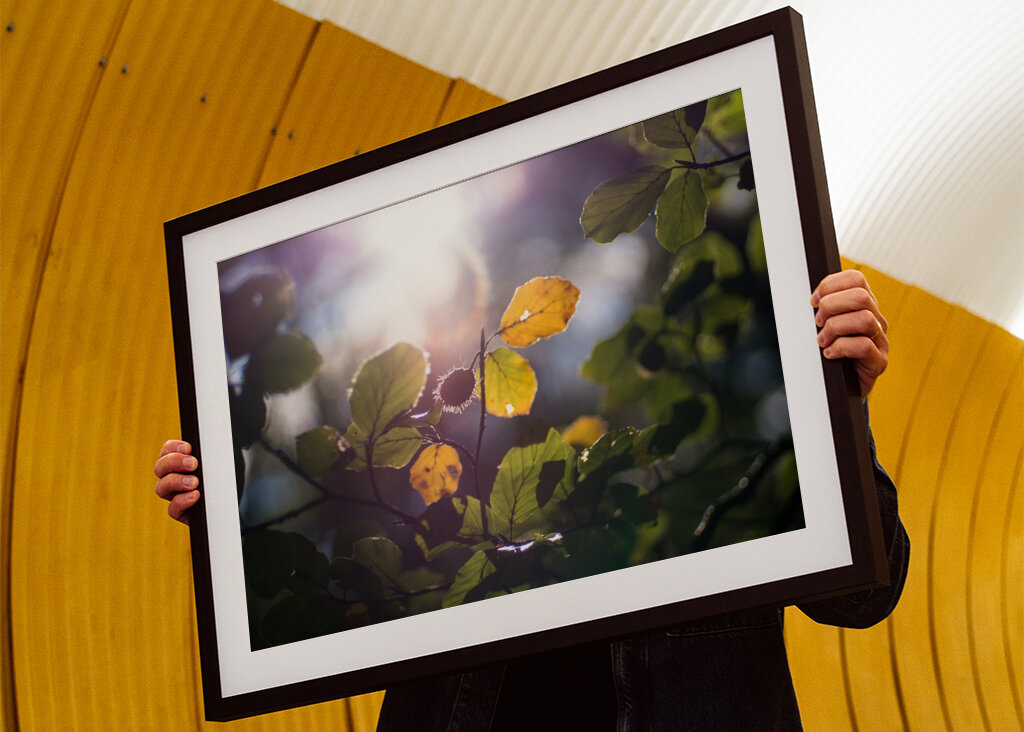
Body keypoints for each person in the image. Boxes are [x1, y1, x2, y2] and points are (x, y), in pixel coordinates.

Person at [155, 270, 908, 730]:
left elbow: (865, 595)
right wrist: (226, 513)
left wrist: (839, 405)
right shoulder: (439, 524)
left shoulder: (688, 505)